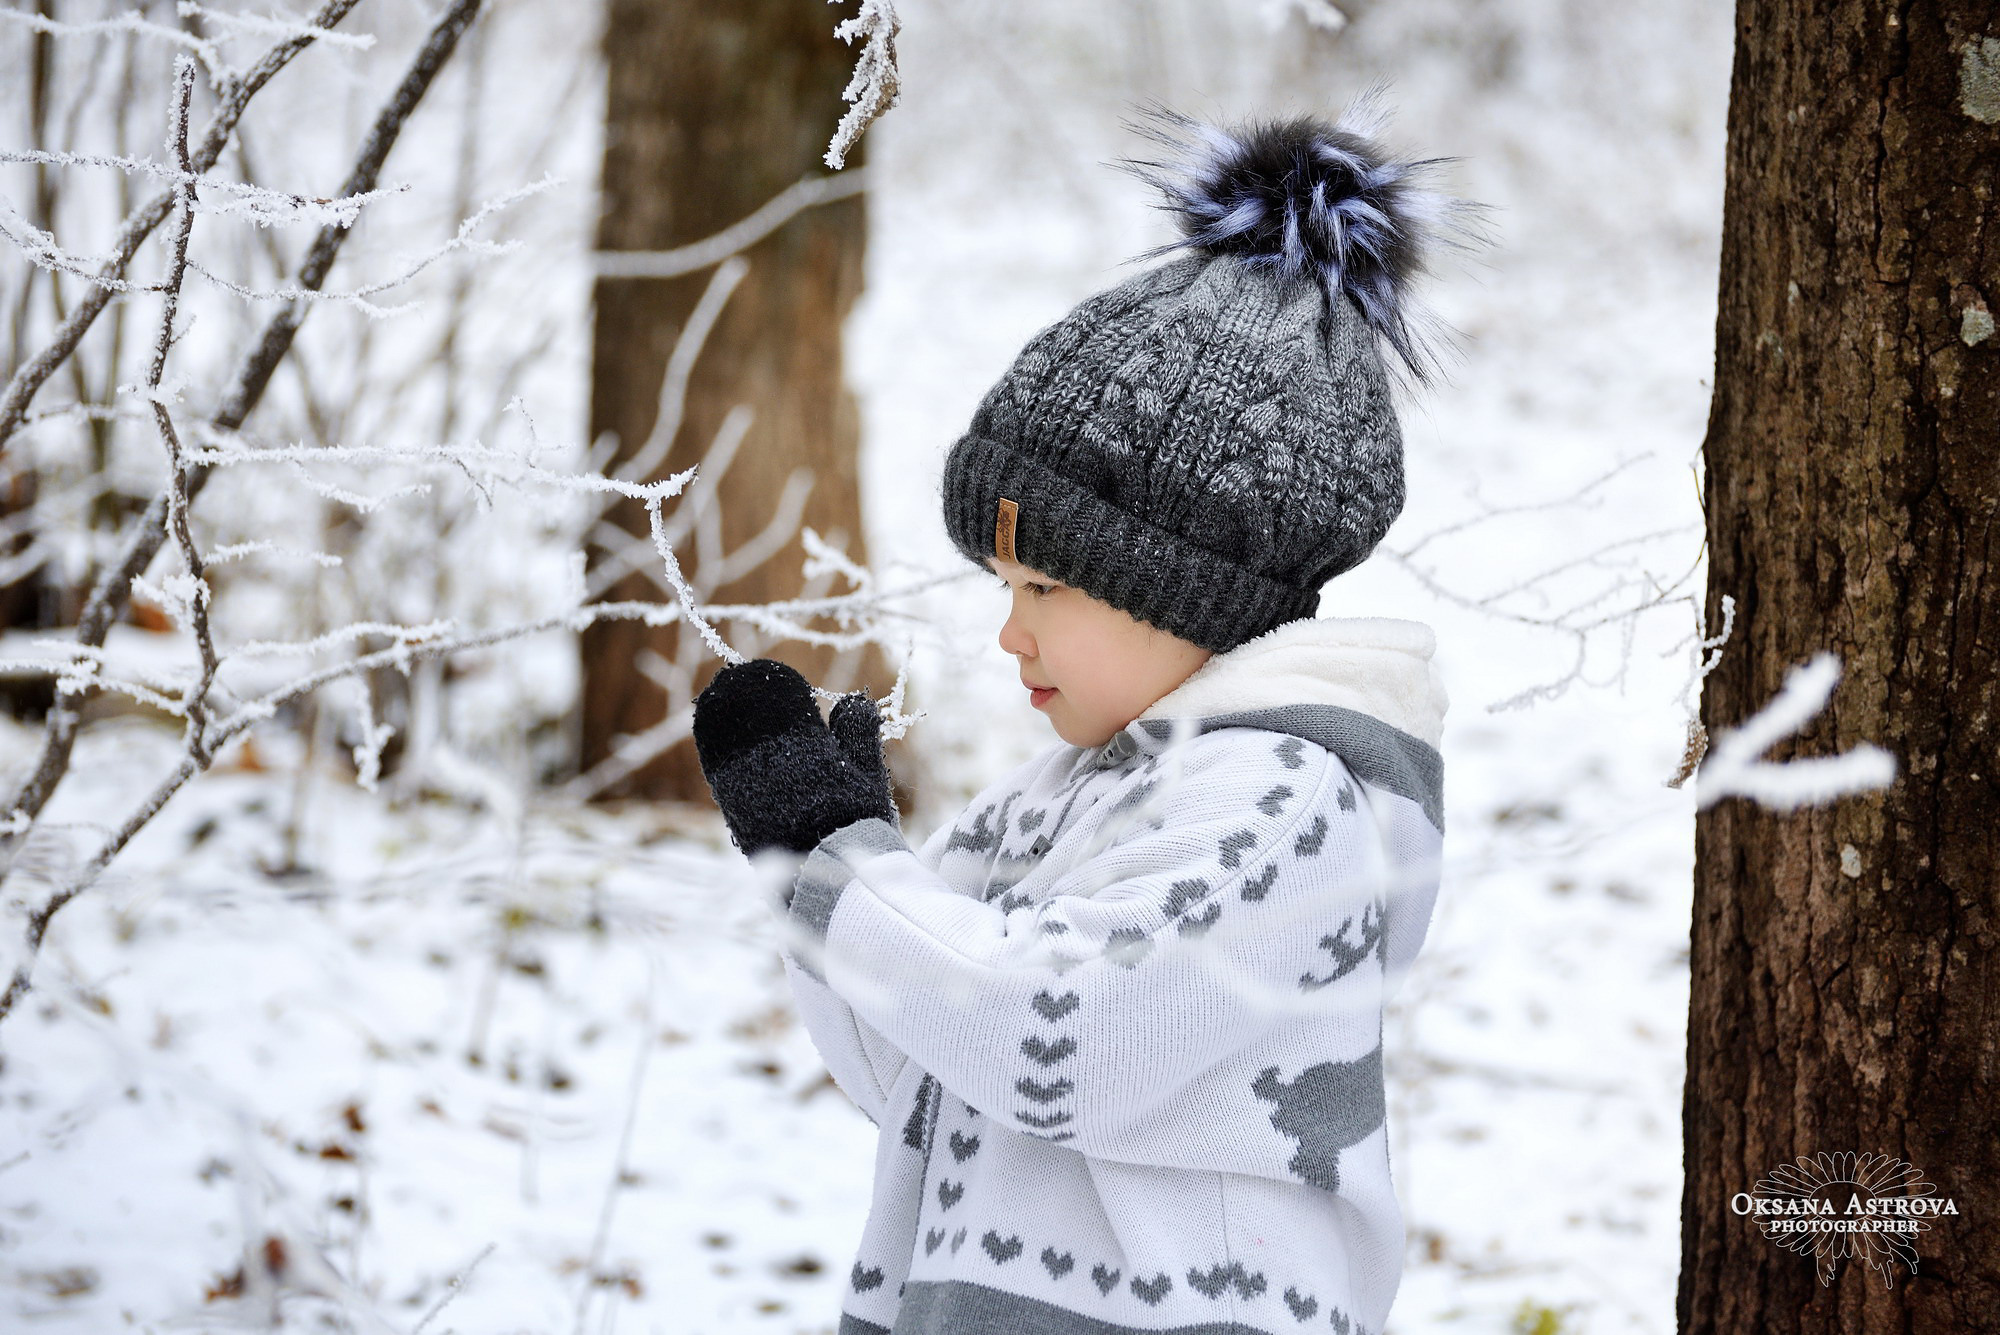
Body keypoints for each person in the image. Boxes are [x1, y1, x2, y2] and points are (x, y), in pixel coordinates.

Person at [692, 90, 1488, 1335]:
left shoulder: (1278, 805)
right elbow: (904, 1066)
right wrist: (816, 863)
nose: (1010, 632)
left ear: (1183, 588)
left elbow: (1059, 1046)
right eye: (1003, 586)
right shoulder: (1052, 800)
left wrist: (850, 872)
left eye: (1045, 588)